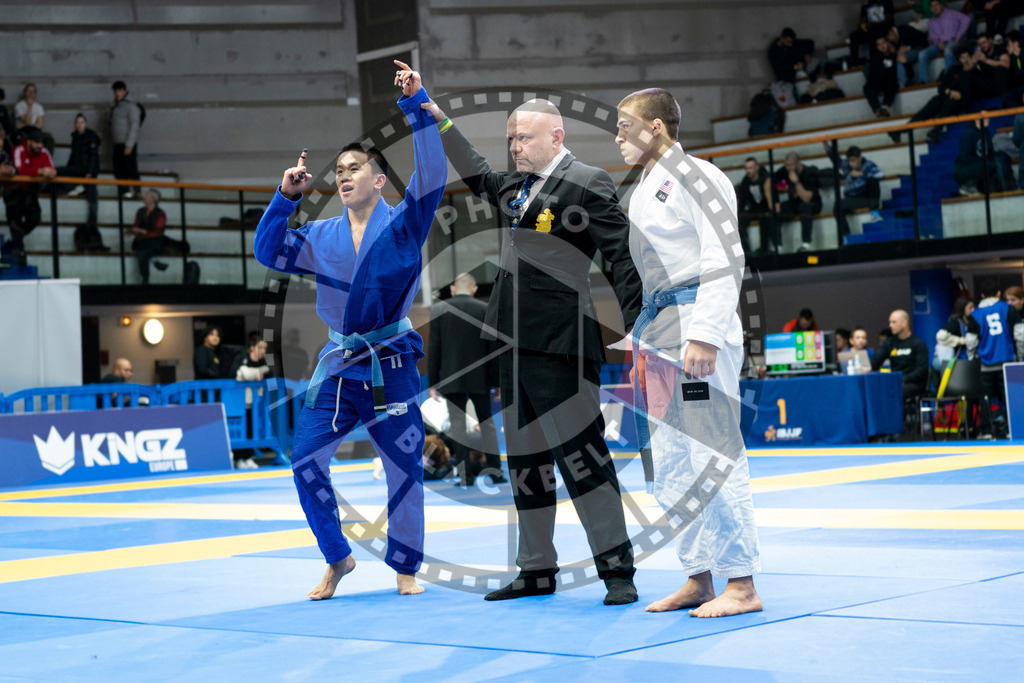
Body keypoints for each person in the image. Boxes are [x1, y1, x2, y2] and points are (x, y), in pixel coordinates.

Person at [422, 92, 643, 605]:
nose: (515, 147)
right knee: (526, 461)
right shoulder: (517, 188)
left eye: (524, 137)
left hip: (563, 343)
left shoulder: (589, 182)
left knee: (583, 457)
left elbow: (622, 258)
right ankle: (536, 568)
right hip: (511, 345)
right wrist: (439, 119)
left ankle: (617, 571)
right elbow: (476, 172)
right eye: (511, 138)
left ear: (556, 136)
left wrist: (635, 325)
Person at [253, 61, 445, 600]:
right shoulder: (318, 235)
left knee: (403, 473)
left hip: (393, 367)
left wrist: (415, 105)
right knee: (304, 462)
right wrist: (285, 197)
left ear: (379, 179)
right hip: (338, 368)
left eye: (354, 167)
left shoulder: (405, 225)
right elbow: (267, 250)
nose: (342, 174)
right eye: (337, 169)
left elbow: (431, 176)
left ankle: (406, 567)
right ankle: (337, 557)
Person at [615, 87, 761, 618]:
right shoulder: (646, 188)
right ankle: (698, 576)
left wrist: (704, 333)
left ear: (656, 127)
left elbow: (724, 257)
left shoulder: (700, 175)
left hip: (698, 326)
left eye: (625, 125)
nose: (618, 136)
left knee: (712, 455)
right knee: (672, 464)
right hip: (659, 330)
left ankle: (742, 583)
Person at [427, 272, 504, 486]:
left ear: (453, 289)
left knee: (458, 428)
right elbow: (492, 348)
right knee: (487, 424)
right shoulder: (484, 309)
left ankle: (464, 476)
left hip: (452, 379)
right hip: (480, 379)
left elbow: (434, 349)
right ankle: (496, 471)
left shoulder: (439, 309)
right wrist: (497, 382)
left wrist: (433, 383)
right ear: (474, 289)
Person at [893, 46, 974, 143]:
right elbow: (941, 87)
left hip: (960, 102)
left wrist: (960, 94)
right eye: (963, 57)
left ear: (971, 58)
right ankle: (901, 130)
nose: (965, 60)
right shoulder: (953, 69)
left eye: (967, 57)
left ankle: (936, 130)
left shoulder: (974, 73)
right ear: (960, 59)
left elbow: (971, 92)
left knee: (950, 103)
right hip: (944, 97)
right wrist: (950, 91)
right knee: (929, 107)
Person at [971, 291, 1024, 434]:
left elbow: (971, 341)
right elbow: (1020, 335)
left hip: (986, 364)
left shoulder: (975, 313)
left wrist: (973, 357)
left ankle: (987, 431)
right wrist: (1019, 357)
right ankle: (1013, 430)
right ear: (999, 293)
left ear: (982, 295)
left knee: (986, 397)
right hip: (1007, 363)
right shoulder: (1008, 308)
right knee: (1009, 397)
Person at [3, 127, 56, 265]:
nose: (40, 146)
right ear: (29, 142)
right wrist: (40, 171)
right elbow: (20, 170)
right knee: (15, 220)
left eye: (41, 143)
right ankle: (18, 253)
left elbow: (52, 170)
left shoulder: (44, 152)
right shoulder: (19, 150)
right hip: (13, 192)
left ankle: (15, 242)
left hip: (29, 192)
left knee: (35, 217)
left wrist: (50, 173)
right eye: (37, 143)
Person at [824, 144, 885, 235]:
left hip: (866, 197)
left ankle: (875, 213)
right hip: (852, 198)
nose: (851, 163)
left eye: (853, 160)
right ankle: (846, 235)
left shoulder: (868, 165)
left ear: (860, 157)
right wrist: (826, 145)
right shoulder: (846, 165)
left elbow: (880, 174)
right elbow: (836, 159)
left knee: (873, 181)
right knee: (838, 206)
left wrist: (862, 174)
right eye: (849, 161)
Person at [232, 331, 271, 470]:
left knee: (252, 429)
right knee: (241, 430)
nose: (263, 351)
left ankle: (248, 457)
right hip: (240, 402)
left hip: (257, 402)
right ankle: (239, 458)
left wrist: (251, 372)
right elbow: (239, 374)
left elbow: (270, 372)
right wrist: (259, 372)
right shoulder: (241, 357)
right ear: (252, 347)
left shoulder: (264, 361)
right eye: (260, 347)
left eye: (265, 348)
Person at [871, 309, 929, 402]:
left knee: (894, 391)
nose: (890, 325)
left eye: (894, 322)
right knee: (877, 390)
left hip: (913, 383)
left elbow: (921, 370)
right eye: (890, 322)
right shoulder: (889, 342)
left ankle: (898, 416)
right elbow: (876, 361)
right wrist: (866, 366)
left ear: (904, 323)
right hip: (895, 381)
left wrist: (904, 379)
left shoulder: (918, 343)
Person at [769, 152, 822, 253]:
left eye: (791, 165)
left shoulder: (809, 172)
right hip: (794, 203)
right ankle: (778, 247)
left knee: (804, 207)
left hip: (813, 203)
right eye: (786, 165)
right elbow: (770, 182)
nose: (789, 168)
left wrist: (796, 181)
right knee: (773, 213)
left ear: (798, 163)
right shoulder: (786, 170)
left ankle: (806, 244)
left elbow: (806, 198)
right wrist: (775, 202)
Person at [57, 113, 101, 227]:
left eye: (81, 122)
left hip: (88, 172)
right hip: (77, 169)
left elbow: (93, 156)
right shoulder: (75, 138)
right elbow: (73, 156)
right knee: (56, 172)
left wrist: (90, 172)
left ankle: (92, 222)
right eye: (77, 122)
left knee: (92, 196)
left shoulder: (91, 136)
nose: (79, 125)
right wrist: (67, 170)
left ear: (85, 124)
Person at [918, 0, 971, 84]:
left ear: (941, 5)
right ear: (931, 9)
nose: (935, 7)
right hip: (939, 44)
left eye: (937, 5)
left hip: (953, 41)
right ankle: (923, 80)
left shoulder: (952, 14)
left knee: (948, 50)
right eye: (932, 6)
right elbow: (931, 37)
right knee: (922, 54)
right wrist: (937, 42)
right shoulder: (931, 22)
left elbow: (966, 19)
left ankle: (948, 78)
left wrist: (958, 36)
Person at [127, 189, 169, 284]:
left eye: (147, 196)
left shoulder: (160, 214)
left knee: (142, 253)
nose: (144, 198)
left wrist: (142, 231)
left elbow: (158, 231)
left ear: (153, 199)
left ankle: (145, 278)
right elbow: (136, 224)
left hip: (154, 241)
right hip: (142, 241)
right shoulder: (140, 211)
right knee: (141, 250)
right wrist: (133, 231)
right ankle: (154, 262)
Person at [109, 80, 142, 199]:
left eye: (119, 91)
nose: (117, 94)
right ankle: (123, 191)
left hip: (127, 144)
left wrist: (129, 144)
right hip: (117, 142)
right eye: (115, 91)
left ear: (124, 91)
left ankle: (135, 191)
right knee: (119, 169)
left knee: (130, 168)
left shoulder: (131, 106)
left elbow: (134, 125)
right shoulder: (116, 106)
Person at [734, 158, 773, 255]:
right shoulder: (746, 181)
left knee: (764, 218)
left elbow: (772, 195)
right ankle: (746, 251)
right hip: (754, 209)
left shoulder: (765, 177)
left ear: (757, 168)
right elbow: (742, 199)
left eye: (751, 168)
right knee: (740, 220)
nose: (748, 171)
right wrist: (738, 214)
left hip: (764, 208)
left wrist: (770, 209)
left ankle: (764, 249)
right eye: (746, 168)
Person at [864, 32, 901, 118]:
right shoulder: (875, 58)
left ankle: (884, 107)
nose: (882, 46)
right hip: (878, 82)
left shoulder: (894, 56)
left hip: (890, 82)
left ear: (888, 43)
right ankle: (877, 110)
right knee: (867, 88)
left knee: (892, 84)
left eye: (883, 43)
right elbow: (873, 76)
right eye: (879, 44)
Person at [849, 0, 896, 66]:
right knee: (854, 35)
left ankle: (876, 61)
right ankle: (854, 61)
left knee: (874, 33)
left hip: (884, 28)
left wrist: (874, 25)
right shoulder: (866, 3)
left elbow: (888, 19)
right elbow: (863, 18)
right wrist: (863, 25)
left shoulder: (886, 1)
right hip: (870, 29)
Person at [970, 33, 1011, 99]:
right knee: (968, 75)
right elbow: (967, 69)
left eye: (984, 42)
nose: (982, 46)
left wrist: (985, 60)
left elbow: (1006, 64)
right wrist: (973, 63)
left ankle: (1004, 101)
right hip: (987, 84)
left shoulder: (999, 48)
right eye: (979, 44)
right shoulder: (979, 53)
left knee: (999, 69)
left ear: (990, 41)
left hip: (1002, 83)